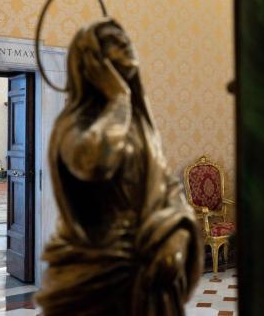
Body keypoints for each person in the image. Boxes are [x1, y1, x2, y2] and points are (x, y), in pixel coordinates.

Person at [35, 18, 203, 316]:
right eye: (113, 40)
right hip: (96, 268)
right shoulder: (74, 124)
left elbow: (166, 185)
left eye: (125, 38)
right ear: (93, 60)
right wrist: (119, 97)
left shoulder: (141, 126)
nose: (125, 43)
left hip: (149, 265)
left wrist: (176, 237)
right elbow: (95, 163)